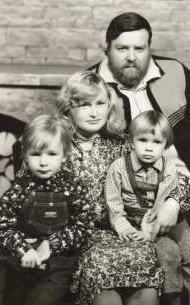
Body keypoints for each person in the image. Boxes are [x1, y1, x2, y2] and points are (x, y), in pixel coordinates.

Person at [14, 71, 164, 305]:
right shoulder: (53, 145)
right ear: (68, 108)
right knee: (101, 265)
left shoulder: (124, 145)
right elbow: (23, 196)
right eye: (84, 105)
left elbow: (168, 173)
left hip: (119, 230)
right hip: (73, 236)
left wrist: (174, 203)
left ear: (109, 106)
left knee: (144, 258)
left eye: (100, 104)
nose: (94, 113)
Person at [88, 12, 190, 298]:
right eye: (122, 48)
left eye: (139, 48)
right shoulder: (91, 86)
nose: (131, 57)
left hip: (182, 186)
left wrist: (177, 199)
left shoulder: (176, 72)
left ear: (149, 48)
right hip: (135, 201)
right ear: (106, 48)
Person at [0, 114, 92, 305]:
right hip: (22, 262)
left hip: (59, 264)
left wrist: (52, 244)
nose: (43, 162)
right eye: (36, 154)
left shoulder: (73, 187)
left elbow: (84, 225)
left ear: (65, 156)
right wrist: (22, 249)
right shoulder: (19, 190)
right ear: (25, 155)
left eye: (51, 154)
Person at [105, 110, 190, 304]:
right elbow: (113, 204)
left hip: (164, 218)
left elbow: (160, 206)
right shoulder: (118, 168)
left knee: (188, 248)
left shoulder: (168, 169)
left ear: (166, 145)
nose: (149, 148)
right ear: (131, 141)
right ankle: (171, 298)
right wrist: (125, 227)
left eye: (157, 142)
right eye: (143, 140)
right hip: (135, 220)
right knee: (169, 253)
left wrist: (148, 231)